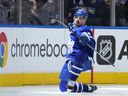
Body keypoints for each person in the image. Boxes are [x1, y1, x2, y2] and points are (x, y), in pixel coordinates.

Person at [59, 8, 97, 93]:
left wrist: (87, 40)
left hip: (79, 59)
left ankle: (72, 82)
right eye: (76, 17)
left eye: (81, 18)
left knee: (81, 54)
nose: (77, 19)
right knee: (63, 87)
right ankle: (88, 88)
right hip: (70, 59)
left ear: (84, 20)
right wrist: (74, 28)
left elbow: (92, 41)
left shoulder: (85, 30)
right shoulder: (74, 28)